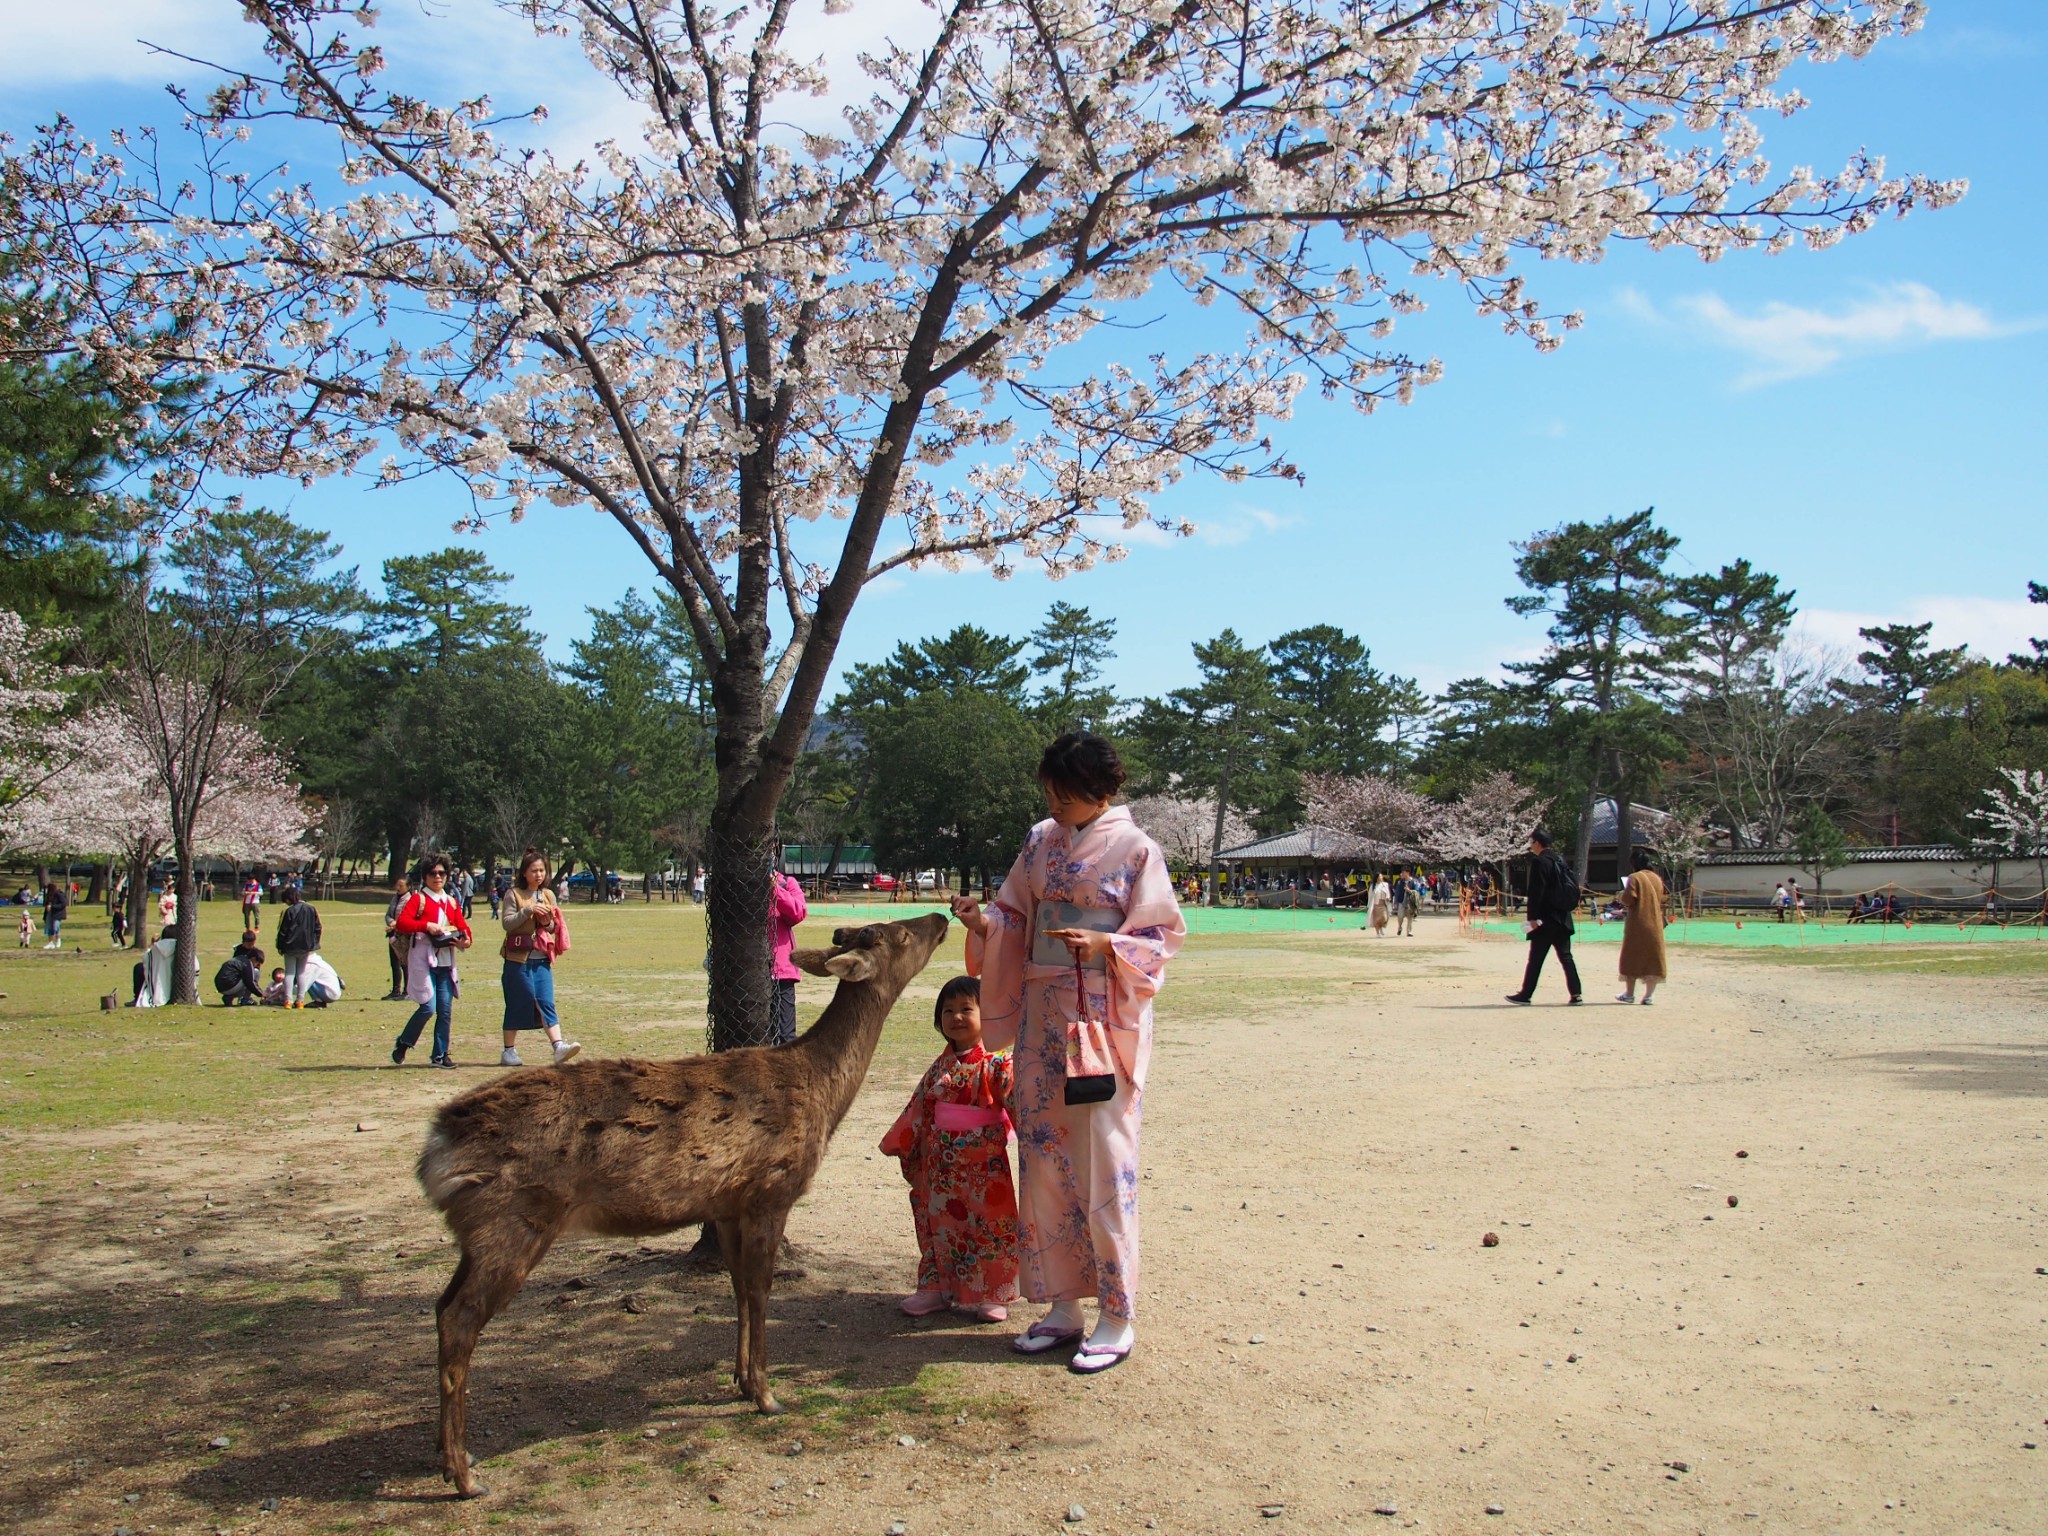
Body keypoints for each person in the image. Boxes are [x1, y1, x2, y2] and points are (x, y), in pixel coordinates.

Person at [950, 731, 1184, 1375]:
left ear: (1101, 790)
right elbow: (1013, 917)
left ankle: (1117, 1312)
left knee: (1105, 1162)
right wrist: (982, 924)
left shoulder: (1138, 849)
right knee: (1045, 1158)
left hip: (1101, 1022)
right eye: (1049, 790)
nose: (1053, 802)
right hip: (1040, 1023)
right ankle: (1062, 1306)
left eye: (1065, 791)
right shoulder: (1039, 841)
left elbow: (1162, 936)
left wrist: (1108, 946)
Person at [879, 975, 1019, 1323]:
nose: (956, 1017)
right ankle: (934, 1287)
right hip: (941, 1167)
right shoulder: (938, 1068)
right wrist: (905, 1143)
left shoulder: (998, 1062)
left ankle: (994, 1293)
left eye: (967, 1009)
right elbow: (918, 1110)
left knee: (991, 1226)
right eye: (948, 1010)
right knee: (937, 1223)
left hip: (985, 1167)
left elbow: (1018, 1100)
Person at [497, 849, 582, 1067]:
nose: (538, 874)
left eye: (542, 870)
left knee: (546, 1001)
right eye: (534, 870)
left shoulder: (548, 895)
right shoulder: (513, 894)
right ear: (524, 873)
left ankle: (558, 1047)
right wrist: (527, 911)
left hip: (541, 957)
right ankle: (508, 1051)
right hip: (518, 959)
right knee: (518, 1002)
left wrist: (546, 922)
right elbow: (507, 923)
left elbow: (553, 927)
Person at [392, 857, 472, 1068]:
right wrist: (427, 926)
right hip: (423, 960)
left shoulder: (451, 901)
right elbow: (402, 922)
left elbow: (462, 925)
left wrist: (466, 939)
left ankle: (440, 1054)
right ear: (425, 876)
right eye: (433, 873)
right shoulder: (419, 899)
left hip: (446, 961)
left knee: (445, 1010)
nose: (437, 877)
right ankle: (404, 1042)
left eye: (442, 873)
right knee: (428, 1007)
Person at [1506, 828, 1582, 1006]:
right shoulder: (1559, 860)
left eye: (1532, 842)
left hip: (1546, 919)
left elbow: (1536, 892)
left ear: (1538, 843)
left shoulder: (1540, 862)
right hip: (1562, 917)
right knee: (1566, 956)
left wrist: (1532, 918)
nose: (1531, 846)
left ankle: (1526, 994)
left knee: (1536, 958)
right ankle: (1576, 993)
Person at [1616, 865, 1668, 1005]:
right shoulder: (1657, 879)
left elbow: (1629, 899)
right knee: (1654, 958)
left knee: (1631, 957)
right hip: (1655, 923)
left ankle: (1629, 994)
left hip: (1638, 923)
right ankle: (1648, 996)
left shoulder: (1635, 877)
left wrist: (1621, 895)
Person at [769, 865, 809, 1046]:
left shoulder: (787, 883)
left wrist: (774, 889)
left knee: (785, 1037)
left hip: (781, 972)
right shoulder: (741, 884)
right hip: (749, 971)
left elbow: (799, 912)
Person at [274, 886, 323, 1009]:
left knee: (290, 973)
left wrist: (280, 946)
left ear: (289, 899)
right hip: (306, 946)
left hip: (290, 947)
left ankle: (288, 1001)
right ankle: (300, 1001)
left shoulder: (289, 911)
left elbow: (282, 931)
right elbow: (318, 927)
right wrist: (314, 943)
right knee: (301, 973)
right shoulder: (311, 909)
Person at [381, 875, 412, 999]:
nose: (397, 888)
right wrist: (390, 922)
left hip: (404, 936)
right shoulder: (395, 898)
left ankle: (407, 991)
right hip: (393, 935)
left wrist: (396, 924)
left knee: (405, 963)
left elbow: (407, 917)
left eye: (401, 885)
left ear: (408, 887)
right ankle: (395, 990)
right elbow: (388, 914)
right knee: (394, 963)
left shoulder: (410, 900)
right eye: (397, 885)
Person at [215, 934, 264, 1006]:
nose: (257, 965)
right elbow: (250, 982)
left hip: (220, 985)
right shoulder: (246, 962)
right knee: (254, 974)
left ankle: (229, 997)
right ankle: (245, 999)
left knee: (248, 976)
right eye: (257, 963)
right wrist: (261, 994)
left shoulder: (240, 958)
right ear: (253, 959)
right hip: (229, 984)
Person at [41, 879, 68, 949]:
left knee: (56, 927)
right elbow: (47, 906)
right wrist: (45, 916)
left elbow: (63, 904)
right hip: (50, 914)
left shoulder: (59, 894)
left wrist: (52, 906)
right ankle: (50, 942)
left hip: (57, 914)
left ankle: (58, 940)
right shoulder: (49, 896)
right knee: (49, 928)